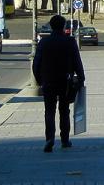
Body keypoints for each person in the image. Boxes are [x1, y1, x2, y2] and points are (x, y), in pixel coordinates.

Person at [32, 14, 85, 153]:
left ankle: (49, 138)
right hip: (65, 81)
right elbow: (77, 62)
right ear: (63, 26)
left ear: (51, 26)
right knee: (64, 110)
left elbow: (36, 64)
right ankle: (65, 140)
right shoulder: (70, 41)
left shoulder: (44, 42)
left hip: (48, 81)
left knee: (49, 111)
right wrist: (81, 78)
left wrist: (40, 81)